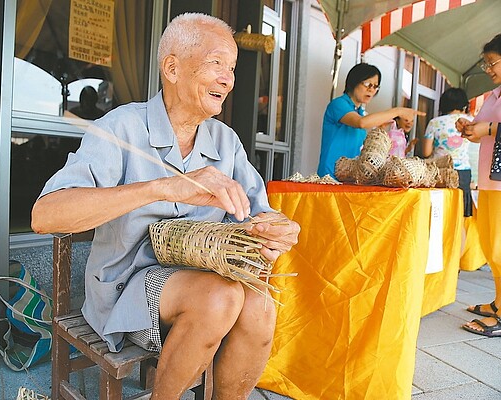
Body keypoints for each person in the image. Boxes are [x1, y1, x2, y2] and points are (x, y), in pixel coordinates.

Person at [31, 13, 300, 399]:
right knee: (219, 298)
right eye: (215, 64)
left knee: (259, 303)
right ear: (172, 68)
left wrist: (276, 229)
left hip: (203, 279)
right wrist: (164, 187)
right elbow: (45, 216)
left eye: (232, 68)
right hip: (125, 288)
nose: (228, 78)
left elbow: (256, 213)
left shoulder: (226, 142)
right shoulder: (121, 127)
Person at [455, 33, 501, 337]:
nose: (489, 70)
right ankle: (499, 304)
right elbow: (485, 130)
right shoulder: (494, 95)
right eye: (486, 65)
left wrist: (490, 127)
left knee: (500, 247)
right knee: (491, 244)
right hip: (490, 180)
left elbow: (493, 128)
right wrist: (470, 127)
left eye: (492, 63)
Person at [317, 63, 423, 177]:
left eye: (375, 86)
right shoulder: (339, 104)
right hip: (330, 176)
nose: (371, 90)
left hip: (348, 177)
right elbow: (361, 123)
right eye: (367, 84)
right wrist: (398, 111)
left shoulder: (360, 111)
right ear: (354, 82)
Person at [422, 88, 474, 217]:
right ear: (464, 104)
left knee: (439, 211)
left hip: (439, 170)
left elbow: (426, 152)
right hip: (463, 172)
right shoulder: (471, 121)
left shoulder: (435, 122)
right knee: (460, 213)